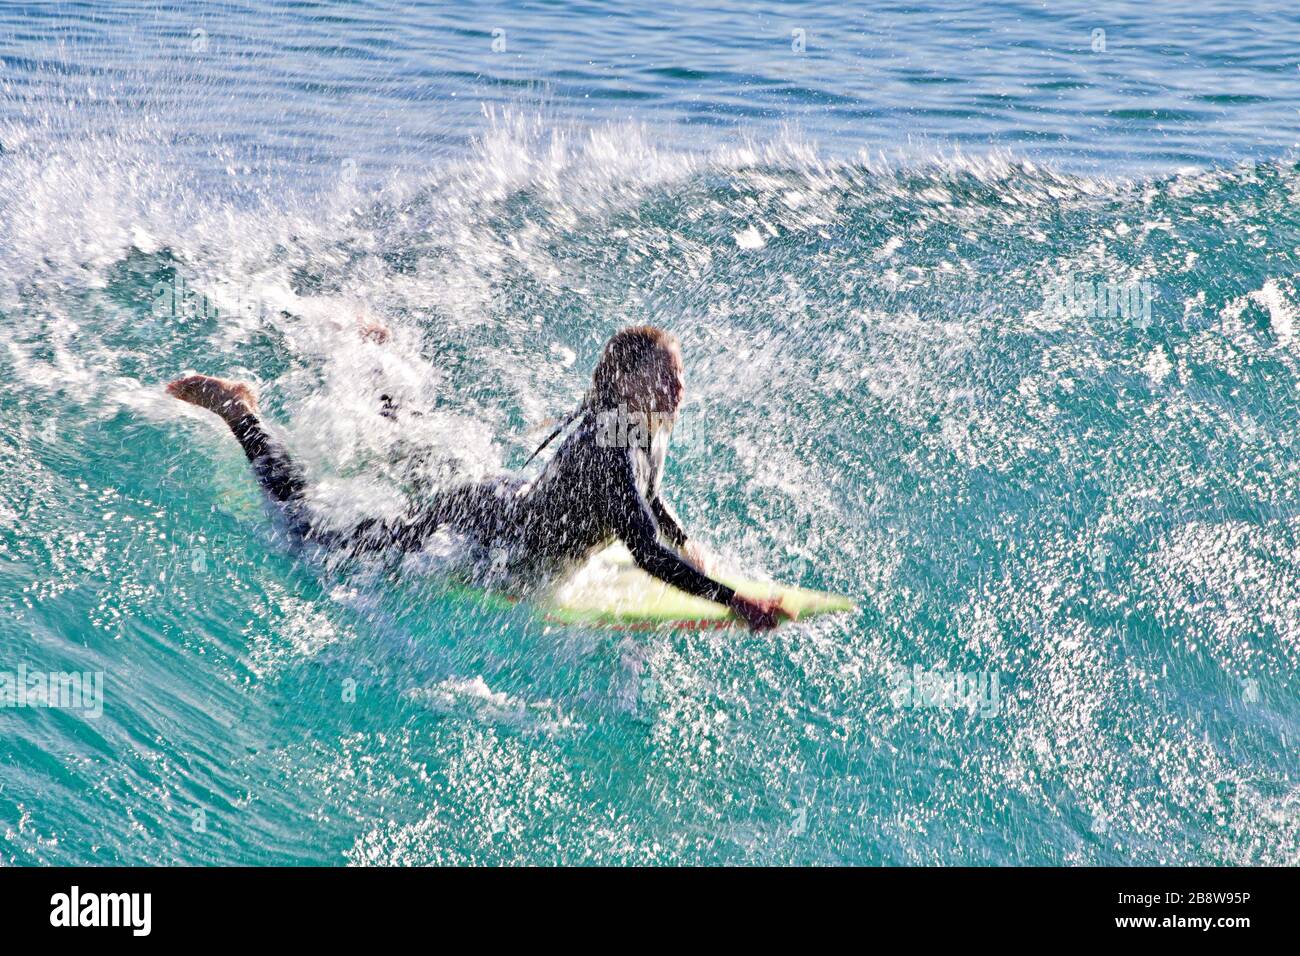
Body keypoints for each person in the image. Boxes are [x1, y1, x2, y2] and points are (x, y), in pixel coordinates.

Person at [166, 325, 792, 630]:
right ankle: (239, 413)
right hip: (480, 530)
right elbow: (642, 547)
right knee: (313, 535)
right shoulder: (612, 445)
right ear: (627, 383)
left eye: (679, 376)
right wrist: (732, 600)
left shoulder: (636, 428)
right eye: (664, 378)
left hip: (502, 500)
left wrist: (688, 546)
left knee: (413, 456)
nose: (677, 390)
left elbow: (650, 505)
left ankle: (375, 369)